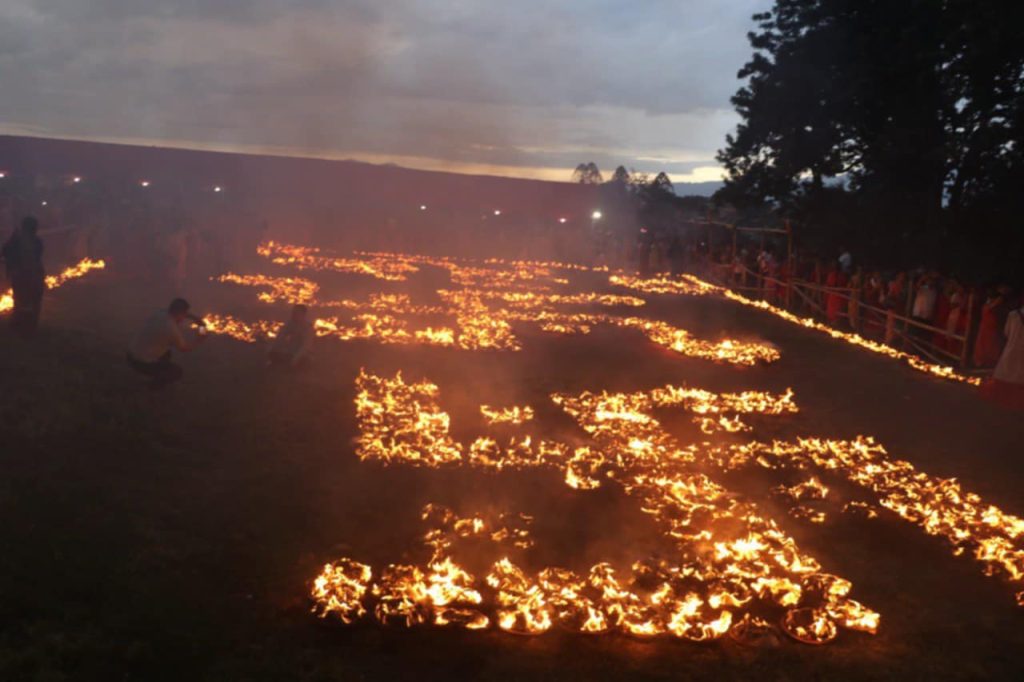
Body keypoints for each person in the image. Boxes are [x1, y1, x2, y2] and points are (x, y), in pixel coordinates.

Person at [127, 298, 206, 389]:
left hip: (131, 355)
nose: (184, 318)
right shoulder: (171, 328)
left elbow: (177, 313)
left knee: (167, 353)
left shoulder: (159, 313)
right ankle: (154, 386)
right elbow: (184, 348)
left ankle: (157, 369)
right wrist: (200, 339)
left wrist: (195, 318)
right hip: (140, 362)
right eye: (184, 314)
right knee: (176, 372)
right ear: (180, 313)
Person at [1, 216, 47, 335]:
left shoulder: (22, 240)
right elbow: (6, 252)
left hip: (26, 275)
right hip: (26, 275)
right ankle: (26, 324)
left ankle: (24, 324)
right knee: (28, 300)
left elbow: (5, 252)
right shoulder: (32, 241)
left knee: (25, 300)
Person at [268, 304, 314, 368]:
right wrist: (273, 349)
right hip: (290, 353)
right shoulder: (290, 324)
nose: (293, 315)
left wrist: (295, 359)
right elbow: (280, 337)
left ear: (303, 314)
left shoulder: (308, 327)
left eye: (296, 313)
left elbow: (305, 347)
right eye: (293, 312)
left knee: (304, 362)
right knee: (273, 354)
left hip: (303, 355)